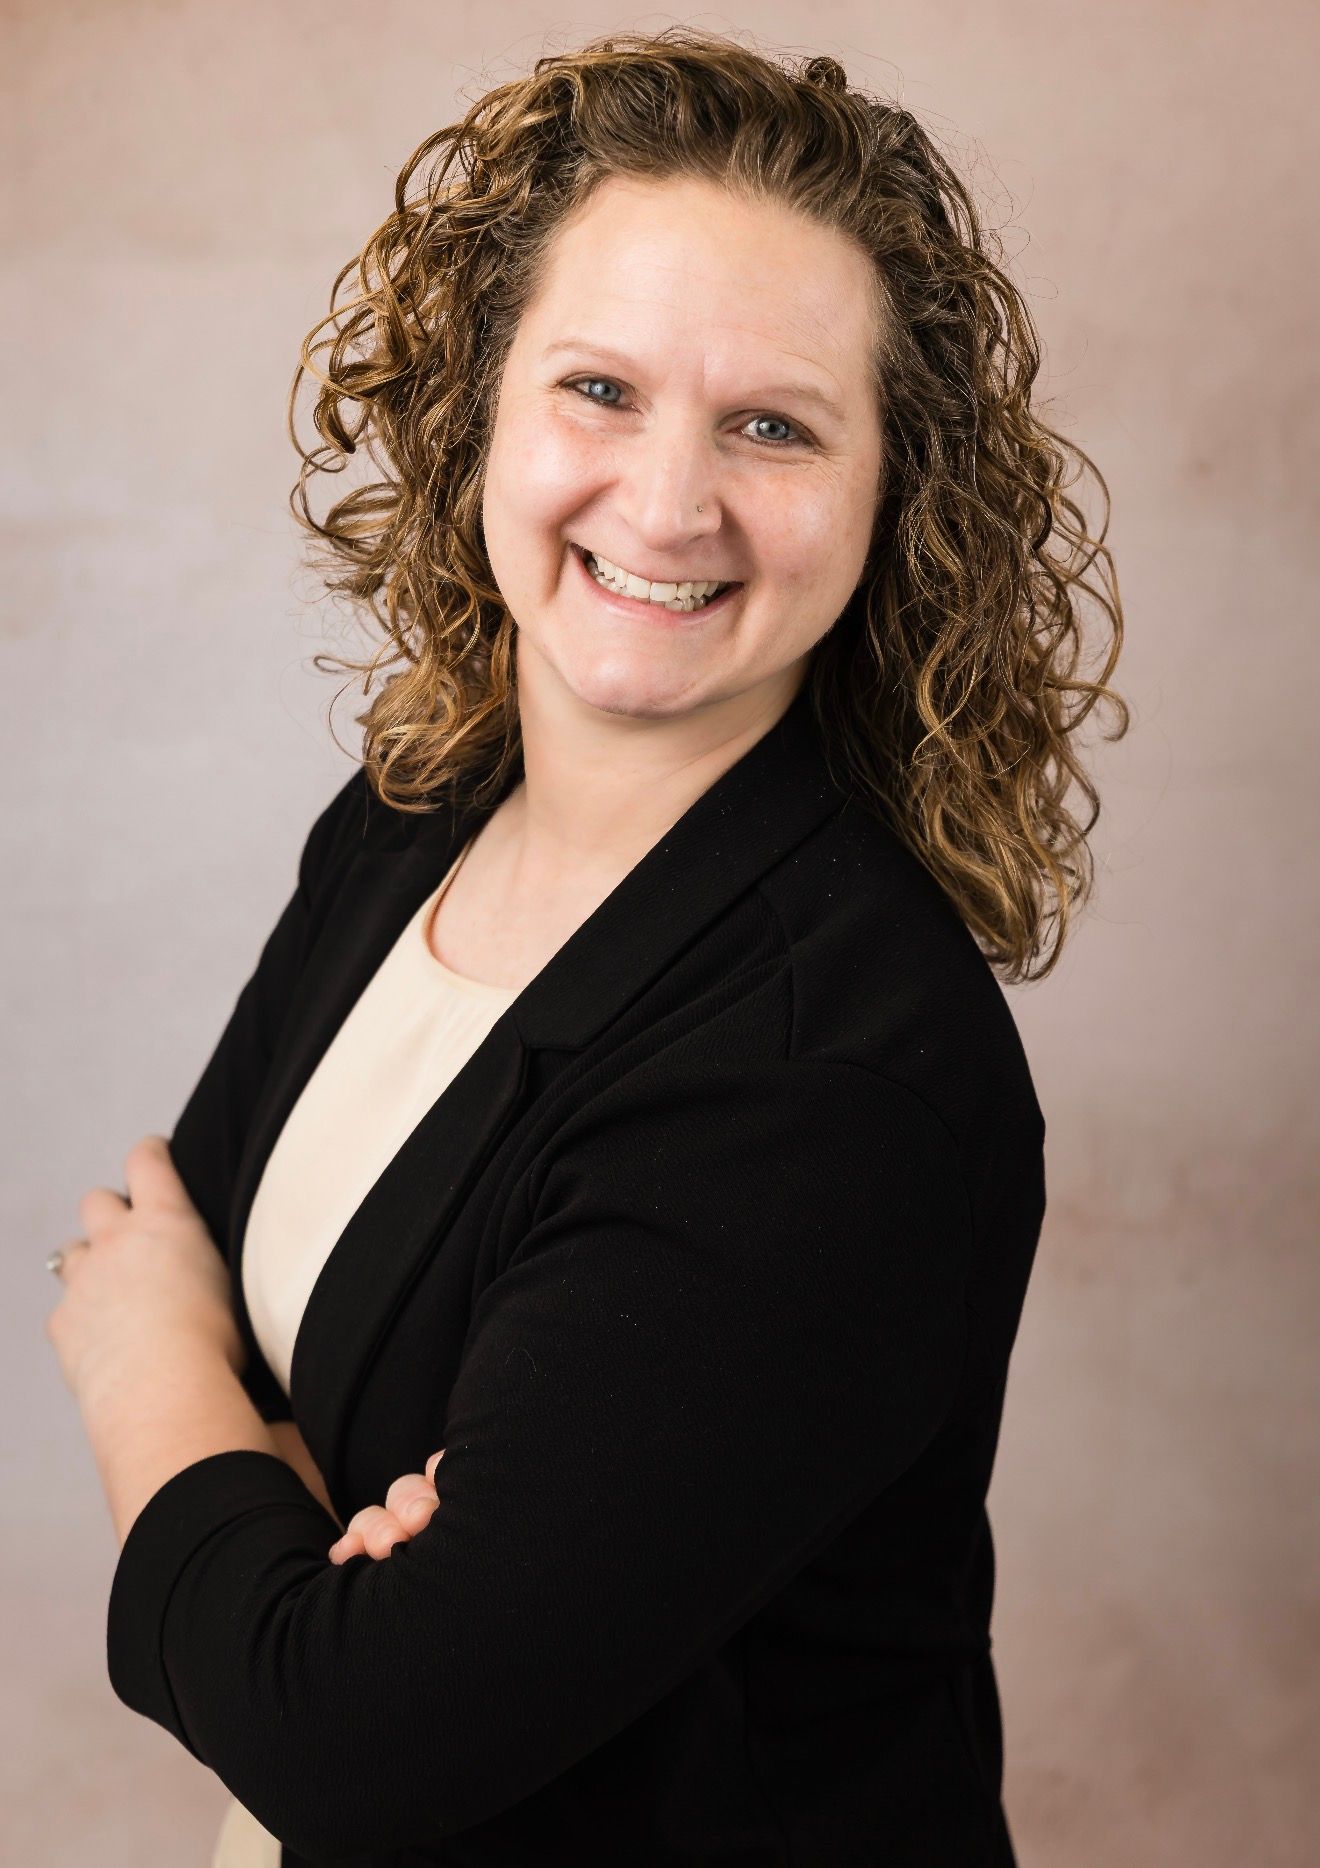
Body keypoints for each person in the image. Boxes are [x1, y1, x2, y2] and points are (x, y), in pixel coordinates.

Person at [48, 26, 1127, 1868]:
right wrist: (299, 1550)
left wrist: (153, 1386)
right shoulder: (416, 812)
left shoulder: (831, 1073)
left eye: (773, 425)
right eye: (601, 390)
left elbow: (353, 1741)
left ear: (893, 503)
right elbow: (187, 1229)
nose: (670, 500)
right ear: (485, 409)